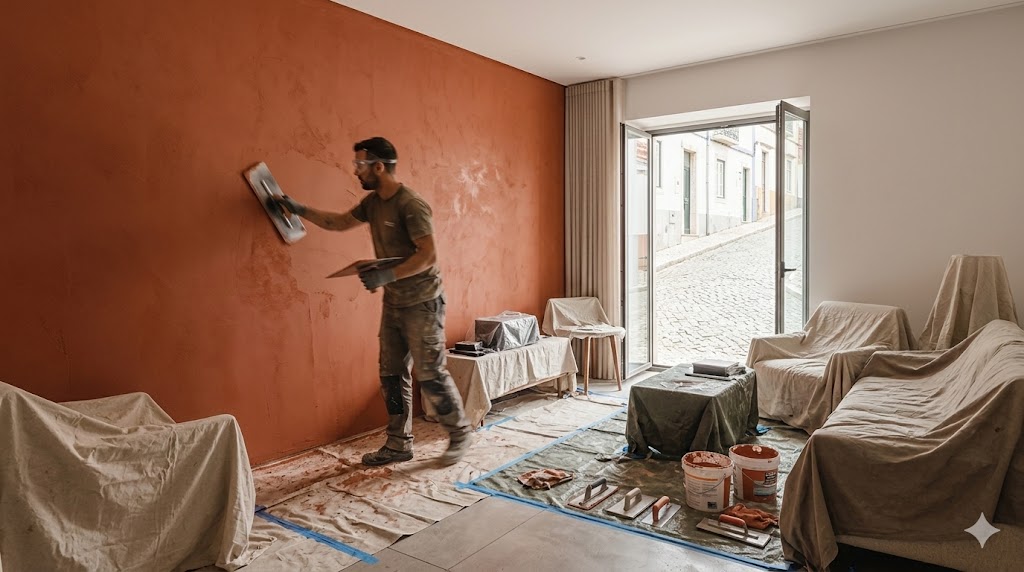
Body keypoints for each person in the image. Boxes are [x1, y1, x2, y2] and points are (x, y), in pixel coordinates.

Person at [273, 137, 472, 466]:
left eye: (360, 165)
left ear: (379, 167)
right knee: (391, 374)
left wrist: (386, 275)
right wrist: (299, 209)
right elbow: (340, 222)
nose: (356, 171)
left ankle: (460, 434)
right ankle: (398, 443)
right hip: (394, 303)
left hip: (423, 302)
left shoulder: (411, 204)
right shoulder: (373, 204)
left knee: (430, 373)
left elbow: (428, 256)